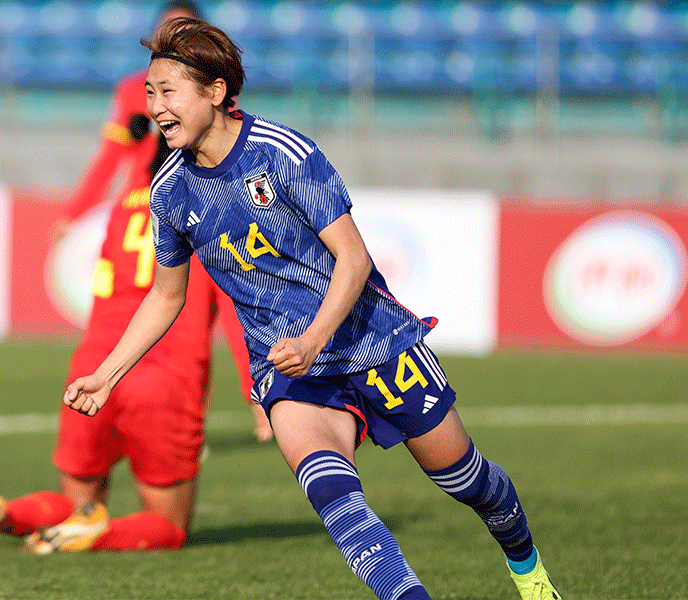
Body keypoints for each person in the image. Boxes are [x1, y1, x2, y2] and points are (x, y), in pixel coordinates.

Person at [62, 17, 563, 600]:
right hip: (291, 370)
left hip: (373, 342)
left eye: (167, 92)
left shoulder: (284, 155)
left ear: (215, 91)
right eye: (150, 94)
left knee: (466, 480)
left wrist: (314, 337)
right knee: (335, 499)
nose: (156, 108)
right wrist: (106, 374)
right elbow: (167, 295)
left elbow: (352, 260)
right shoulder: (170, 190)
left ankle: (529, 573)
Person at [0, 1, 269, 556]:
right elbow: (232, 305)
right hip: (165, 375)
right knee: (167, 525)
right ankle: (93, 536)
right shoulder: (213, 202)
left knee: (79, 502)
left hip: (93, 368)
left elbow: (109, 159)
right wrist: (258, 393)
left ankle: (7, 513)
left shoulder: (127, 208)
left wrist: (73, 212)